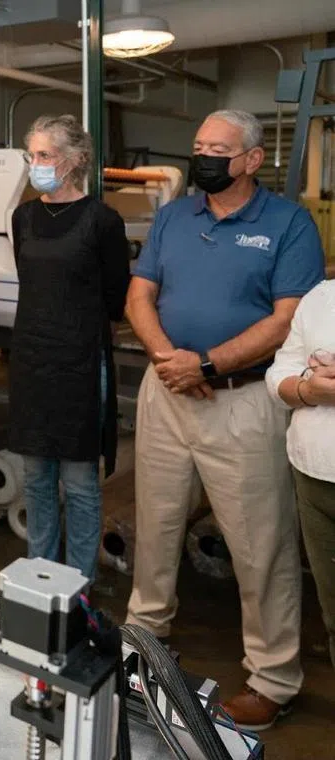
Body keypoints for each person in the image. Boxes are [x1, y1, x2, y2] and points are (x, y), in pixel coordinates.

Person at [124, 109, 324, 729]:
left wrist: (206, 365)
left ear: (253, 159)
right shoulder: (173, 216)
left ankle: (272, 679)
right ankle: (142, 641)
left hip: (241, 403)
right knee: (154, 528)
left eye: (219, 149)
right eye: (198, 147)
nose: (204, 157)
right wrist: (170, 362)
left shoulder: (289, 224)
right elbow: (139, 295)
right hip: (166, 392)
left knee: (259, 544)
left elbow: (288, 318)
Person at [8, 115, 131, 582]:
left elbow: (115, 299)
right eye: (31, 156)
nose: (35, 165)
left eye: (44, 156)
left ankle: (78, 582)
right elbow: (31, 282)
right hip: (32, 362)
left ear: (76, 160)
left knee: (80, 485)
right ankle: (40, 574)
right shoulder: (24, 216)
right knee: (37, 480)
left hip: (80, 363)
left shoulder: (102, 221)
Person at [266, 279, 335, 673]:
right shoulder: (321, 297)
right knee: (334, 618)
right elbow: (279, 376)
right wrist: (311, 389)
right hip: (315, 477)